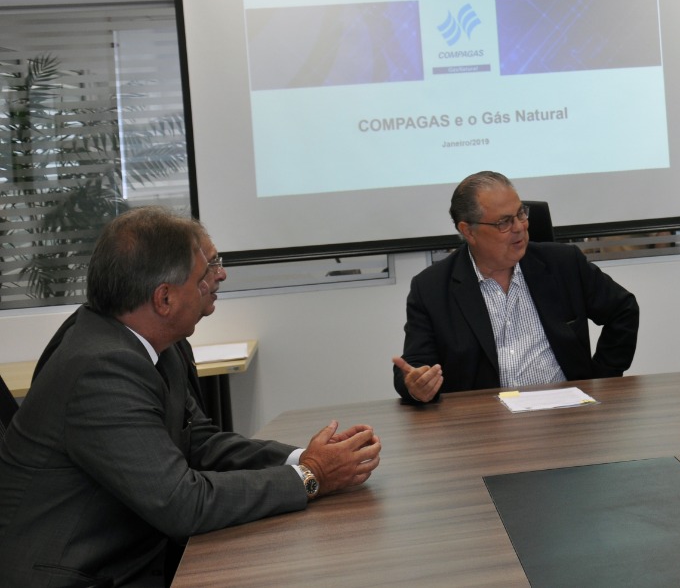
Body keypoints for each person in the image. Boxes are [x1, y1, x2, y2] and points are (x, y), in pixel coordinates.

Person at [0, 207, 381, 588]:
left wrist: (304, 458)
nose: (218, 276)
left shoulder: (157, 342)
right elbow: (182, 503)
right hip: (80, 574)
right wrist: (310, 477)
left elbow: (198, 440)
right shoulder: (101, 369)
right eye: (204, 273)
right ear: (164, 299)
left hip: (133, 554)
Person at [393, 171, 640, 402]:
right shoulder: (431, 288)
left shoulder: (563, 264)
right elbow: (414, 366)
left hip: (566, 415)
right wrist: (416, 385)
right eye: (504, 222)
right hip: (483, 424)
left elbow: (623, 309)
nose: (520, 227)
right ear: (468, 231)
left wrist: (602, 378)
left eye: (521, 214)